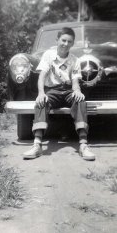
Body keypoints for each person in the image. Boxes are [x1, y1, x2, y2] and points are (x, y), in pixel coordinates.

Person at [23, 27, 95, 161]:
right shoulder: (48, 55)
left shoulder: (75, 60)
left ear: (73, 43)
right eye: (63, 40)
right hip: (53, 90)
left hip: (68, 90)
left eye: (69, 41)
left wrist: (77, 91)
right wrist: (41, 93)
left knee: (80, 101)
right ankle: (37, 144)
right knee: (41, 101)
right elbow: (42, 77)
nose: (66, 44)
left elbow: (75, 82)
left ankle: (83, 145)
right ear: (57, 40)